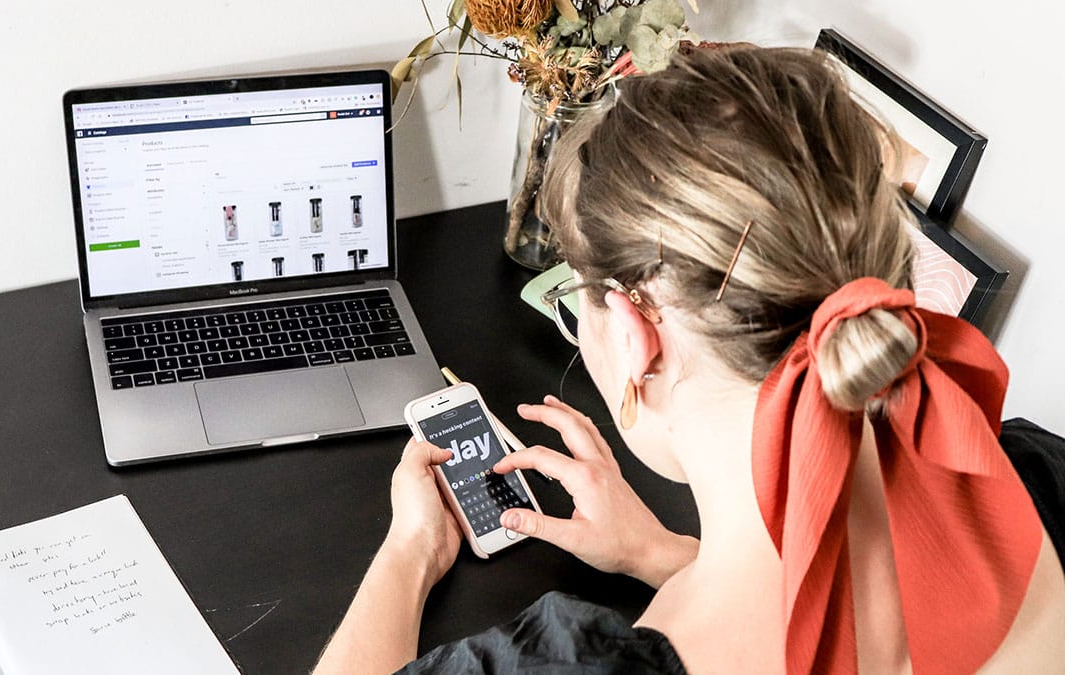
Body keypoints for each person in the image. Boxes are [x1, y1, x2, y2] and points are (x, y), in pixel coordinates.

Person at [311, 46, 1065, 674]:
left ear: (639, 338)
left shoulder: (564, 664)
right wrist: (664, 554)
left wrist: (412, 549)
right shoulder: (1024, 479)